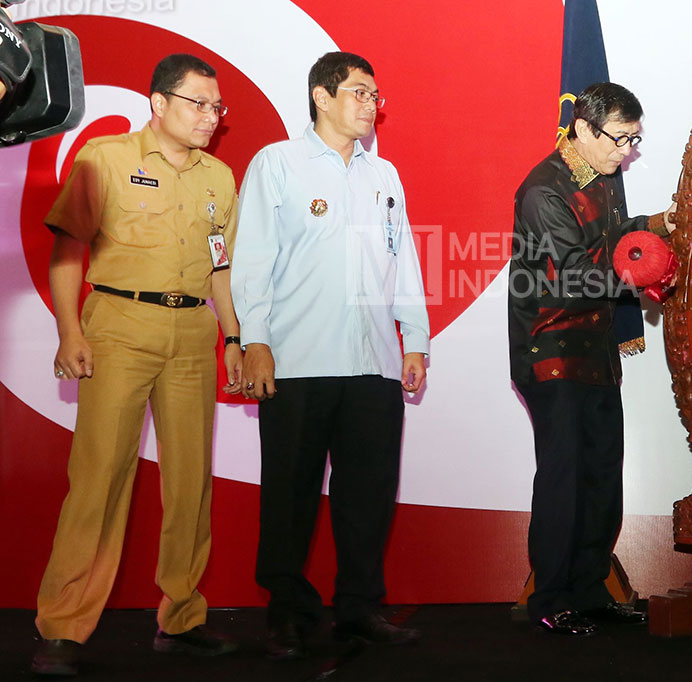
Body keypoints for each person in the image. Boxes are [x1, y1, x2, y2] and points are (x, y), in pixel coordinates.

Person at [30, 54, 242, 676]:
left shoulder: (220, 178)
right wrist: (69, 331)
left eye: (217, 107)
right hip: (119, 327)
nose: (211, 116)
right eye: (198, 104)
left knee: (190, 482)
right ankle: (64, 626)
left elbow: (221, 269)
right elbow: (68, 249)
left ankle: (181, 617)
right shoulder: (105, 158)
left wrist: (235, 338)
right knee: (99, 477)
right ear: (158, 102)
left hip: (193, 331)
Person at [231, 51, 429, 660]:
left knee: (367, 495)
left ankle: (359, 609)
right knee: (289, 495)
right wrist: (255, 339)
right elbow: (254, 258)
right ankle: (286, 614)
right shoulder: (278, 164)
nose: (372, 105)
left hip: (372, 362)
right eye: (360, 92)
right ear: (321, 96)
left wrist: (413, 338)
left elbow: (402, 262)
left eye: (376, 96)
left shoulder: (384, 175)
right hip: (296, 359)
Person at [508, 82, 675, 636]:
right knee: (565, 475)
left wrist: (654, 227)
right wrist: (642, 271)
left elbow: (612, 237)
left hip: (598, 350)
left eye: (634, 140)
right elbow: (575, 274)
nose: (626, 151)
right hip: (552, 349)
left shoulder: (605, 177)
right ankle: (550, 597)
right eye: (619, 138)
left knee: (603, 472)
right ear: (581, 128)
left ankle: (589, 589)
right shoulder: (543, 190)